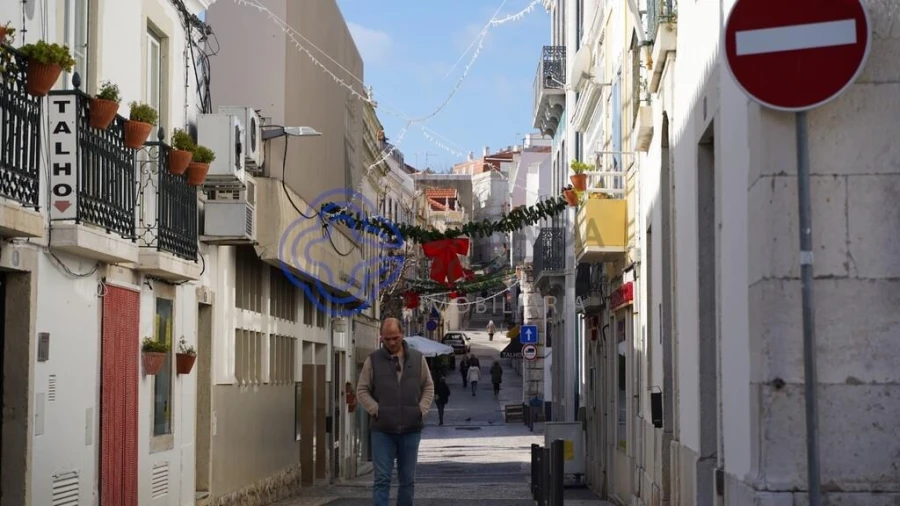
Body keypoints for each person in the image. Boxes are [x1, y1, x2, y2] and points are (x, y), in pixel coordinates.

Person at [357, 318, 435, 506]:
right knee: (382, 479)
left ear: (402, 334)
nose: (391, 342)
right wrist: (376, 410)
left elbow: (428, 386)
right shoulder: (373, 360)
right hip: (382, 430)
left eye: (395, 338)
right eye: (387, 339)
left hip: (411, 429)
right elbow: (362, 390)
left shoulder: (417, 359)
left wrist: (420, 410)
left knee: (407, 481)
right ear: (381, 337)